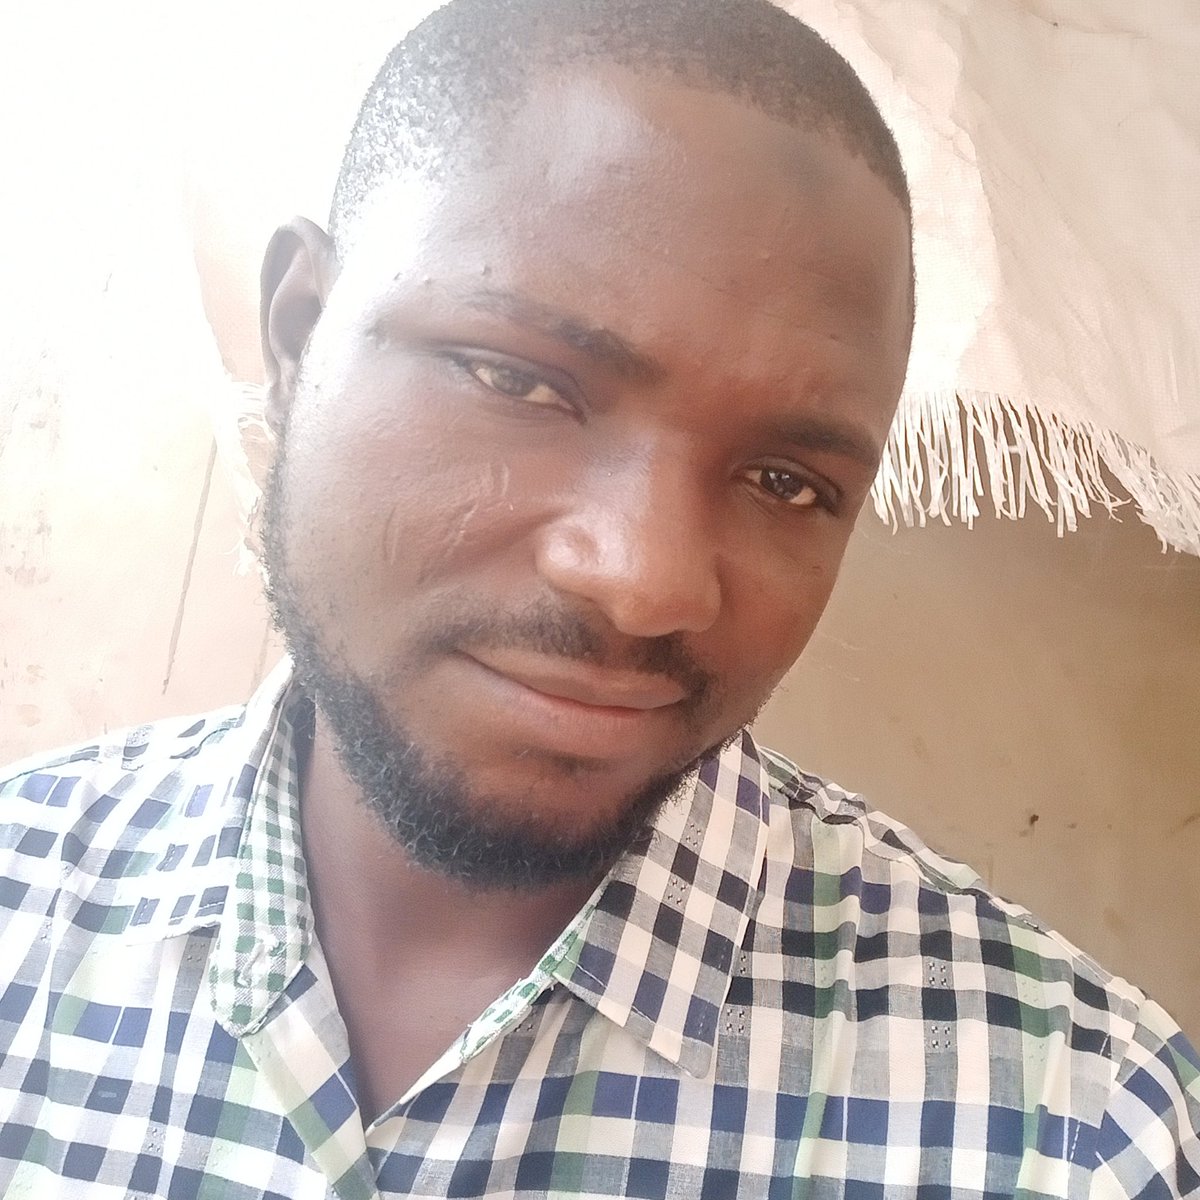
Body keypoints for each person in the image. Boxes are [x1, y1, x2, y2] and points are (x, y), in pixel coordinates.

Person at [1, 0, 1196, 1195]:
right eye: (519, 381)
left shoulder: (1080, 1133)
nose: (645, 582)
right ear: (301, 334)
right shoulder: (22, 901)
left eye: (786, 481)